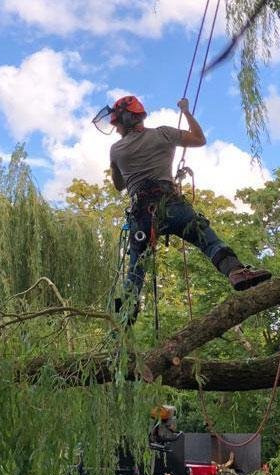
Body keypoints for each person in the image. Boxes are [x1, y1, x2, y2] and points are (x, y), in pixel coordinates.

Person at [93, 95, 271, 321]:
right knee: (209, 240)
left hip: (142, 215)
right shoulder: (163, 134)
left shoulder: (116, 150)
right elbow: (199, 139)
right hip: (173, 206)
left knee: (136, 265)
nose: (116, 129)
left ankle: (126, 310)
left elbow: (119, 186)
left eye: (117, 123)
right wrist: (186, 111)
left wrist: (117, 165)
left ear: (126, 119)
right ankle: (236, 272)